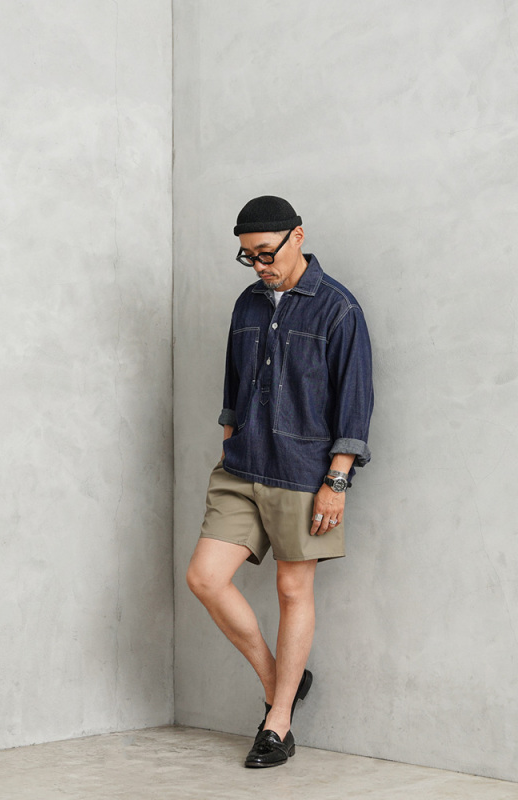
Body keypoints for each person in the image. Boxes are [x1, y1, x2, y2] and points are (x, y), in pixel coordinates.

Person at [186, 195, 374, 768]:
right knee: (205, 578)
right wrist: (230, 441)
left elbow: (355, 404)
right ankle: (280, 684)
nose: (258, 265)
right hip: (241, 466)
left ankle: (279, 723)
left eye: (266, 253)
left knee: (293, 591)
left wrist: (336, 483)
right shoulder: (247, 303)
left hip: (303, 472)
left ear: (298, 236)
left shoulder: (338, 309)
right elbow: (232, 385)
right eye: (248, 256)